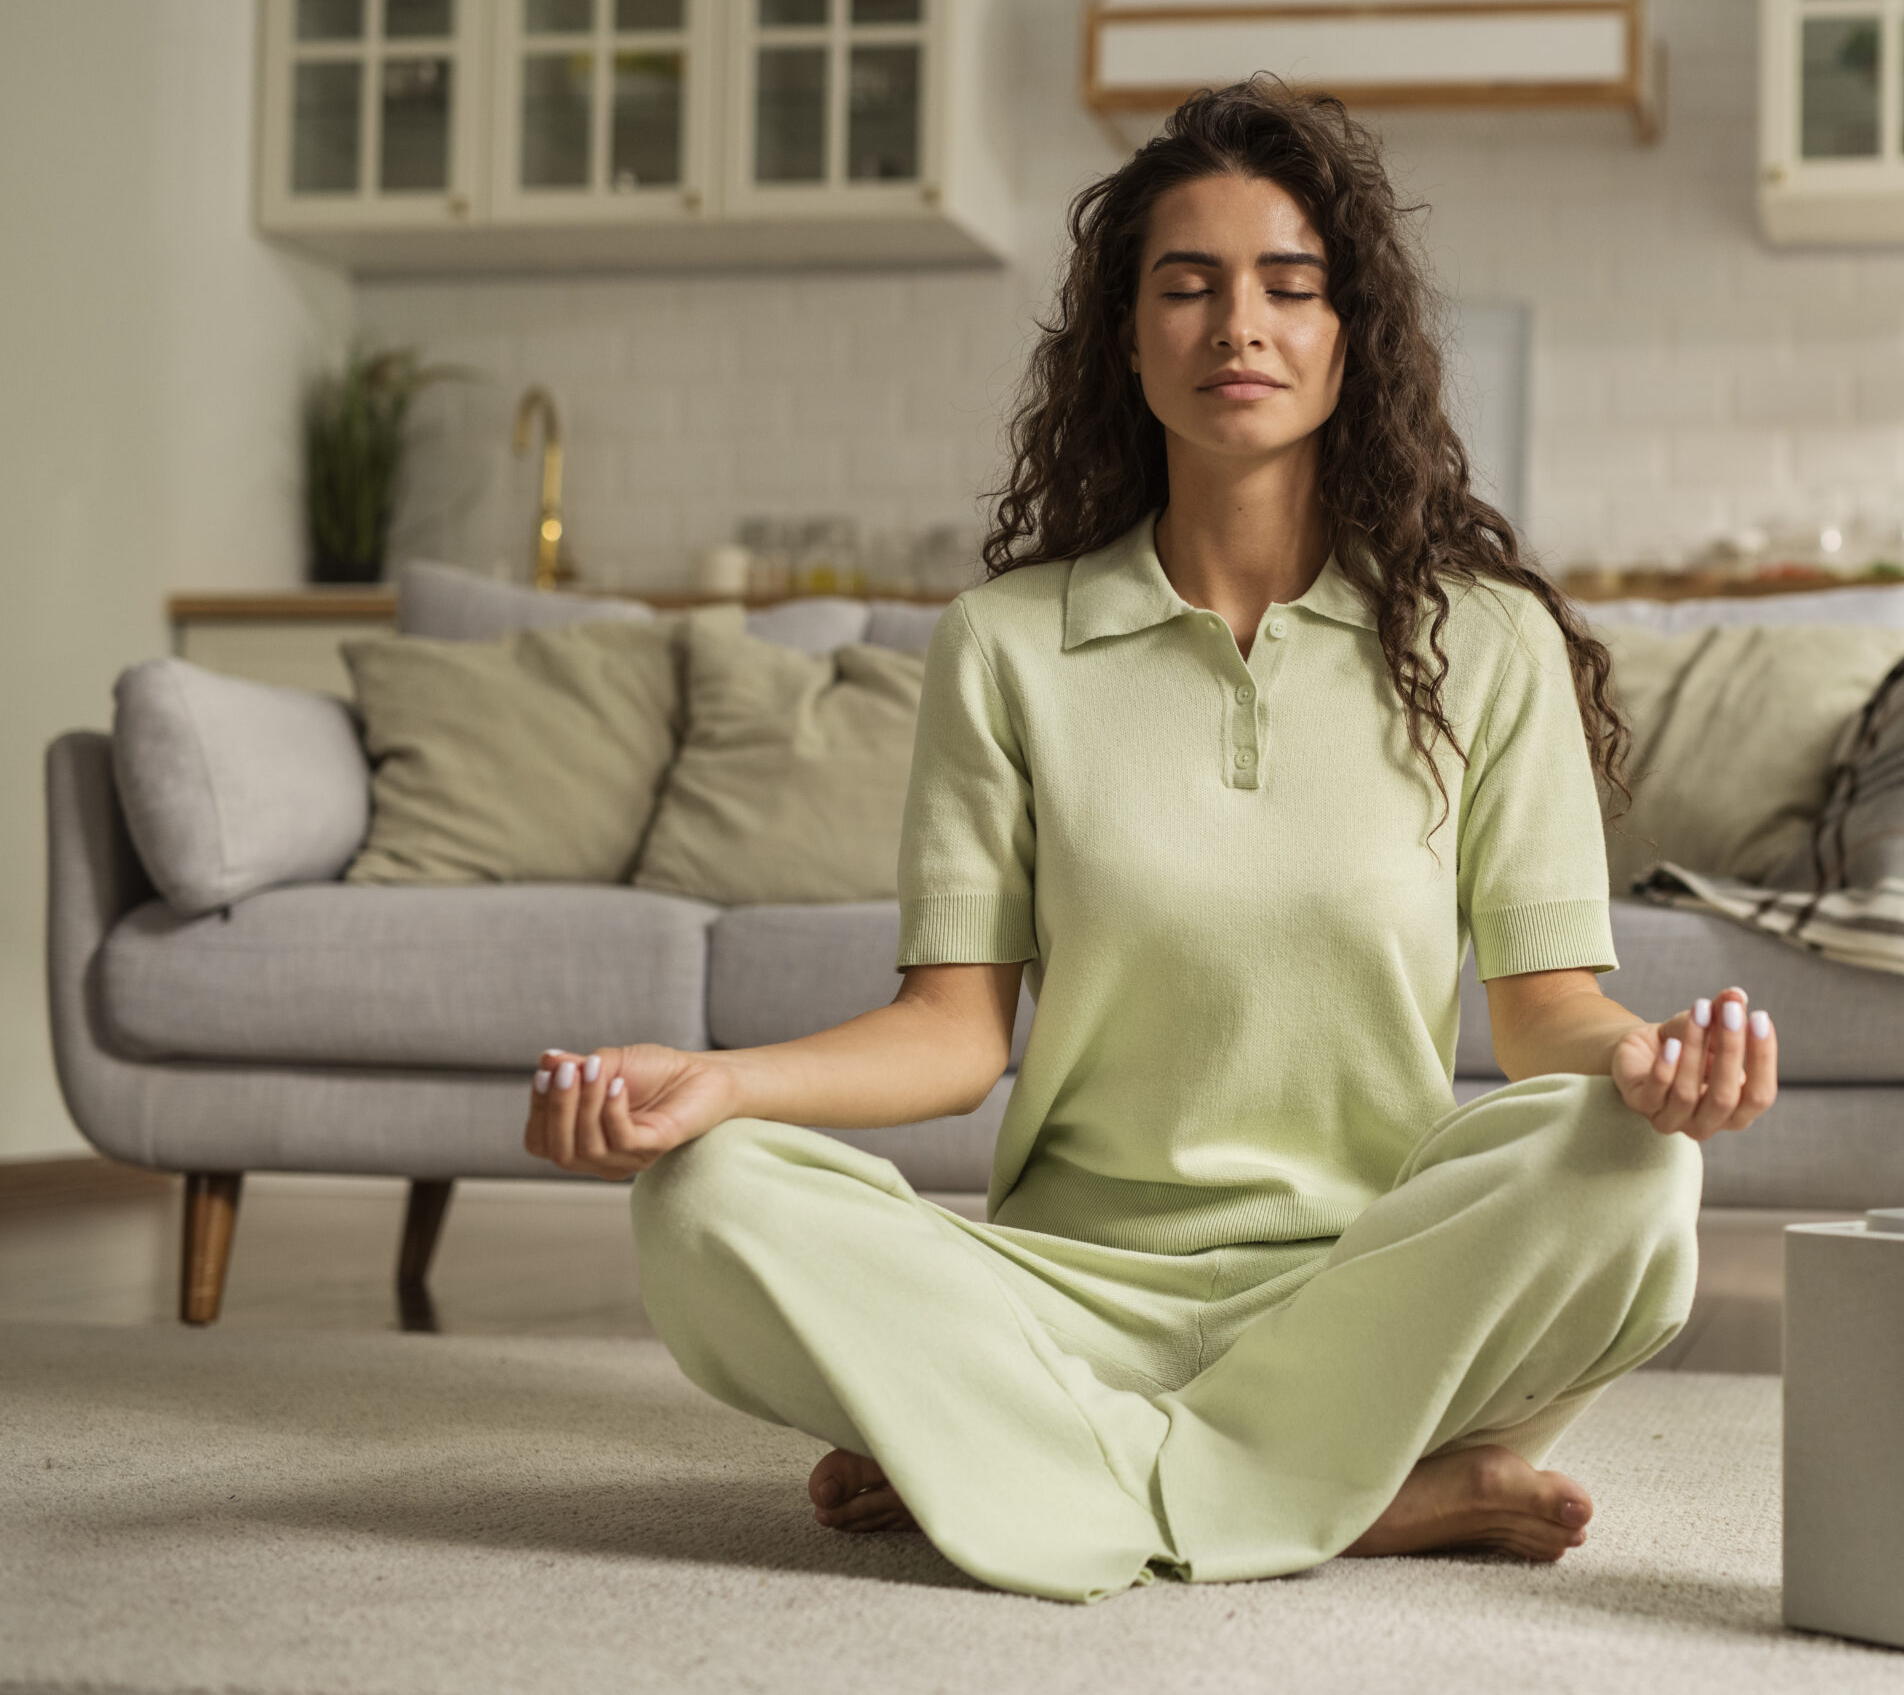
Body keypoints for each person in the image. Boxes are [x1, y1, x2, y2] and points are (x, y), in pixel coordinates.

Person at [522, 80, 1778, 1604]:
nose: (1235, 324)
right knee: (707, 1197)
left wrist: (1650, 1065)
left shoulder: (1484, 643)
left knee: (1636, 1172)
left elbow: (1546, 1017)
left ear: (1347, 334)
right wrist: (719, 1084)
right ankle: (1345, 1490)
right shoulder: (1001, 645)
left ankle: (1005, 1458)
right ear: (1126, 340)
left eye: (1287, 286)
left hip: (1374, 1288)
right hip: (1065, 1287)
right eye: (1185, 286)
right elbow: (951, 1032)